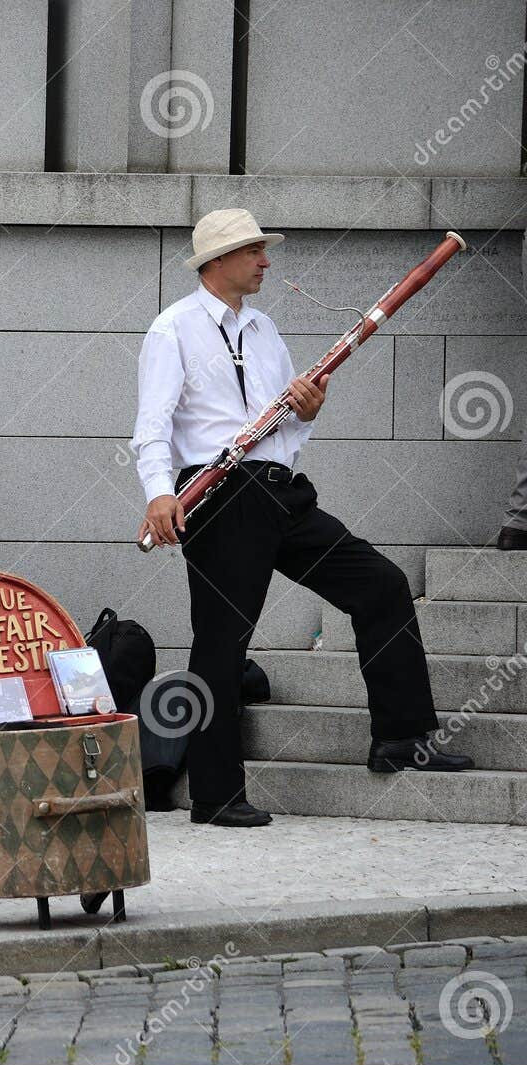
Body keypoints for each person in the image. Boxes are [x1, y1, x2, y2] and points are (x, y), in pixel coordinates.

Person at [133, 209, 474, 829]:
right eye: (254, 252)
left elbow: (282, 427)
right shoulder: (172, 329)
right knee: (222, 641)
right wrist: (160, 493)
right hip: (217, 497)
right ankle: (214, 795)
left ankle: (401, 738)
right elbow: (152, 427)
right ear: (217, 261)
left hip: (277, 491)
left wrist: (308, 412)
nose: (266, 262)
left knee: (382, 586)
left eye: (264, 251)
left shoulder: (264, 329)